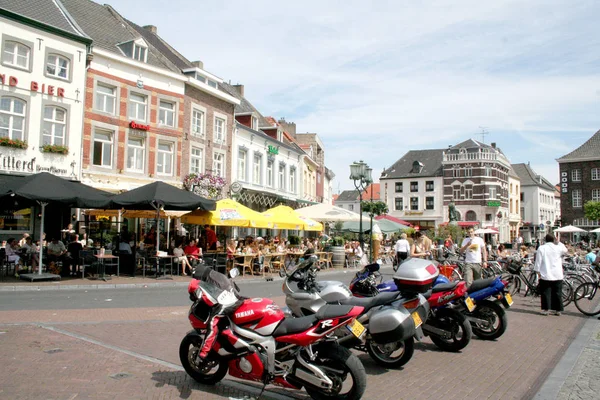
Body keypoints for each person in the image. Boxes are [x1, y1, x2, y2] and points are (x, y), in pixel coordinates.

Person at [534, 234, 568, 316]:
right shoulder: (558, 248)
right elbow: (565, 250)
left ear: (545, 240)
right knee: (557, 292)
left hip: (546, 273)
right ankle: (558, 309)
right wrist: (559, 242)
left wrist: (537, 270)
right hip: (557, 273)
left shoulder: (542, 248)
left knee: (546, 292)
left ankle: (546, 309)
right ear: (554, 240)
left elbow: (538, 260)